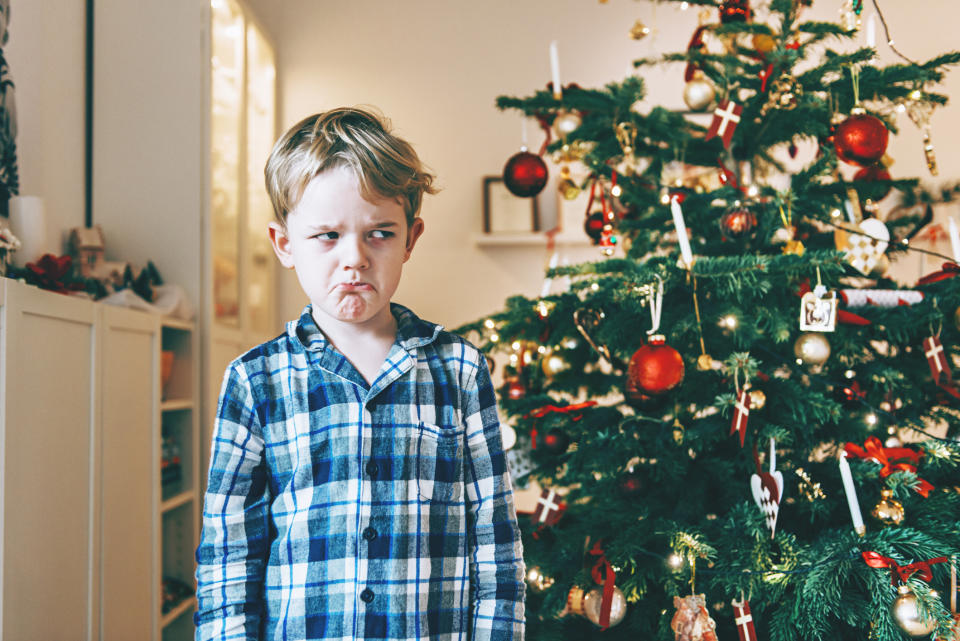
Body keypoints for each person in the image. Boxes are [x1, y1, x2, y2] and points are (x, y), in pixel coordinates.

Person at [195, 107, 526, 641]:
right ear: (284, 244)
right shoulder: (254, 381)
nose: (354, 258)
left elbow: (495, 539)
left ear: (410, 239)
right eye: (327, 235)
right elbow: (229, 555)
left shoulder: (461, 369)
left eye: (379, 234)